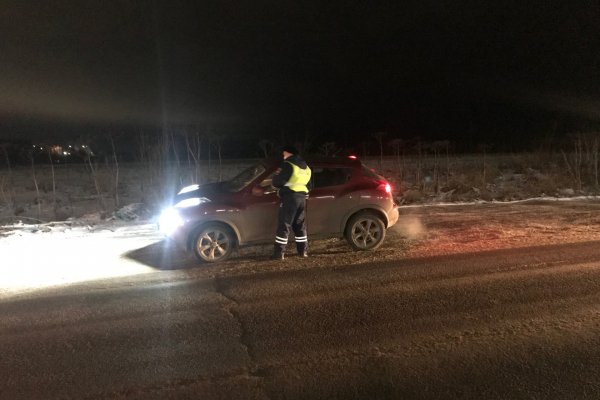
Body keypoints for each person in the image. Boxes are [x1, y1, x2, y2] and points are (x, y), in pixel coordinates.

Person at [271, 145, 312, 260]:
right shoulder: (306, 167)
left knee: (284, 224)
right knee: (300, 225)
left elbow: (277, 181)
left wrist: (275, 183)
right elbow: (309, 185)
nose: (283, 156)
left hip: (290, 198)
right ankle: (302, 252)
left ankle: (279, 254)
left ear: (289, 153)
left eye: (284, 154)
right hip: (302, 198)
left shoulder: (288, 164)